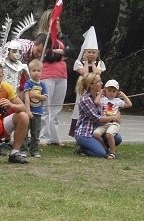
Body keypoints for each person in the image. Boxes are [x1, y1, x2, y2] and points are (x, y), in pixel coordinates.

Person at [35, 9, 77, 147]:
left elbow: (74, 51)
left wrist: (62, 52)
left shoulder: (63, 38)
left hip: (62, 76)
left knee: (57, 108)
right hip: (47, 75)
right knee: (46, 106)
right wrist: (61, 54)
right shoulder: (42, 38)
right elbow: (47, 56)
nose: (57, 22)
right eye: (54, 20)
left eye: (58, 20)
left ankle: (54, 136)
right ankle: (43, 136)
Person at [73, 72, 121, 158]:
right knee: (100, 154)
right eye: (99, 81)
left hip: (98, 130)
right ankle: (82, 148)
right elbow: (96, 118)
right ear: (91, 85)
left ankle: (102, 148)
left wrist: (117, 114)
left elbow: (112, 107)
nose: (102, 83)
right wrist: (113, 117)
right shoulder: (85, 99)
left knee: (117, 138)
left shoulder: (102, 96)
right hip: (85, 133)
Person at [69, 26, 104, 137]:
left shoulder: (99, 63)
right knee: (80, 111)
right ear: (84, 52)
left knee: (95, 110)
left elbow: (97, 73)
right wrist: (85, 61)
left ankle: (94, 132)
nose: (91, 55)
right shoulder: (78, 63)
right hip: (83, 92)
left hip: (95, 92)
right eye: (89, 52)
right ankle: (79, 133)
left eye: (93, 52)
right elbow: (84, 73)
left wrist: (93, 62)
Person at [91, 79, 130, 160]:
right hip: (104, 123)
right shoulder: (103, 99)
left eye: (114, 91)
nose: (111, 93)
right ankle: (105, 148)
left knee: (109, 134)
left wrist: (123, 95)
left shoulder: (118, 101)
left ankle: (112, 152)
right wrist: (101, 93)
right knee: (95, 134)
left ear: (117, 92)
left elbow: (129, 104)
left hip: (113, 123)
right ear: (105, 90)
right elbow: (96, 102)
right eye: (109, 90)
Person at [23, 58, 47, 158]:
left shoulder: (42, 84)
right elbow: (26, 98)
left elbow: (45, 97)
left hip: (38, 112)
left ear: (42, 72)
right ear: (30, 71)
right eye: (33, 71)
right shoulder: (28, 83)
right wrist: (28, 111)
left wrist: (36, 96)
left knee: (36, 133)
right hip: (29, 112)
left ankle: (34, 151)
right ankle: (23, 150)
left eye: (38, 71)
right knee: (24, 132)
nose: (36, 73)